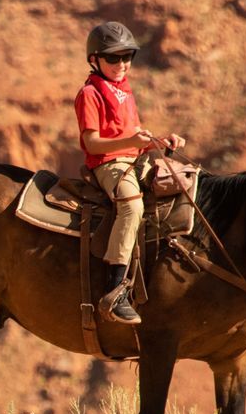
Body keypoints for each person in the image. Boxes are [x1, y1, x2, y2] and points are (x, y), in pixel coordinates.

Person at [74, 21, 186, 326]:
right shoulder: (90, 94)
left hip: (133, 158)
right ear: (94, 59)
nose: (122, 64)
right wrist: (132, 142)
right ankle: (115, 289)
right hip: (108, 164)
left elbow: (133, 131)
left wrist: (159, 141)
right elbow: (91, 141)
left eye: (127, 57)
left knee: (182, 181)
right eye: (114, 58)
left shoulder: (123, 89)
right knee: (132, 204)